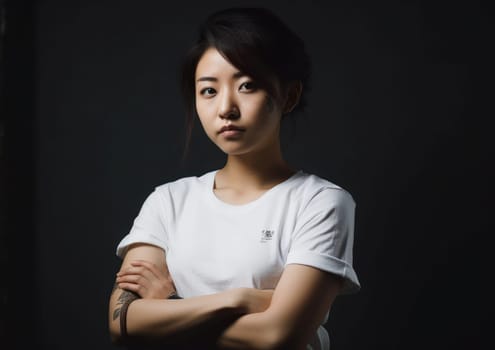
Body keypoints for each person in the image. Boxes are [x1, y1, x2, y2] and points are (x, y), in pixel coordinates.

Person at [108, 7, 360, 350]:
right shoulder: (167, 202)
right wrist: (239, 300)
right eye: (208, 91)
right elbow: (121, 323)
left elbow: (278, 336)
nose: (226, 107)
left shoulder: (320, 202)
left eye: (247, 85)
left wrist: (167, 311)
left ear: (289, 96)